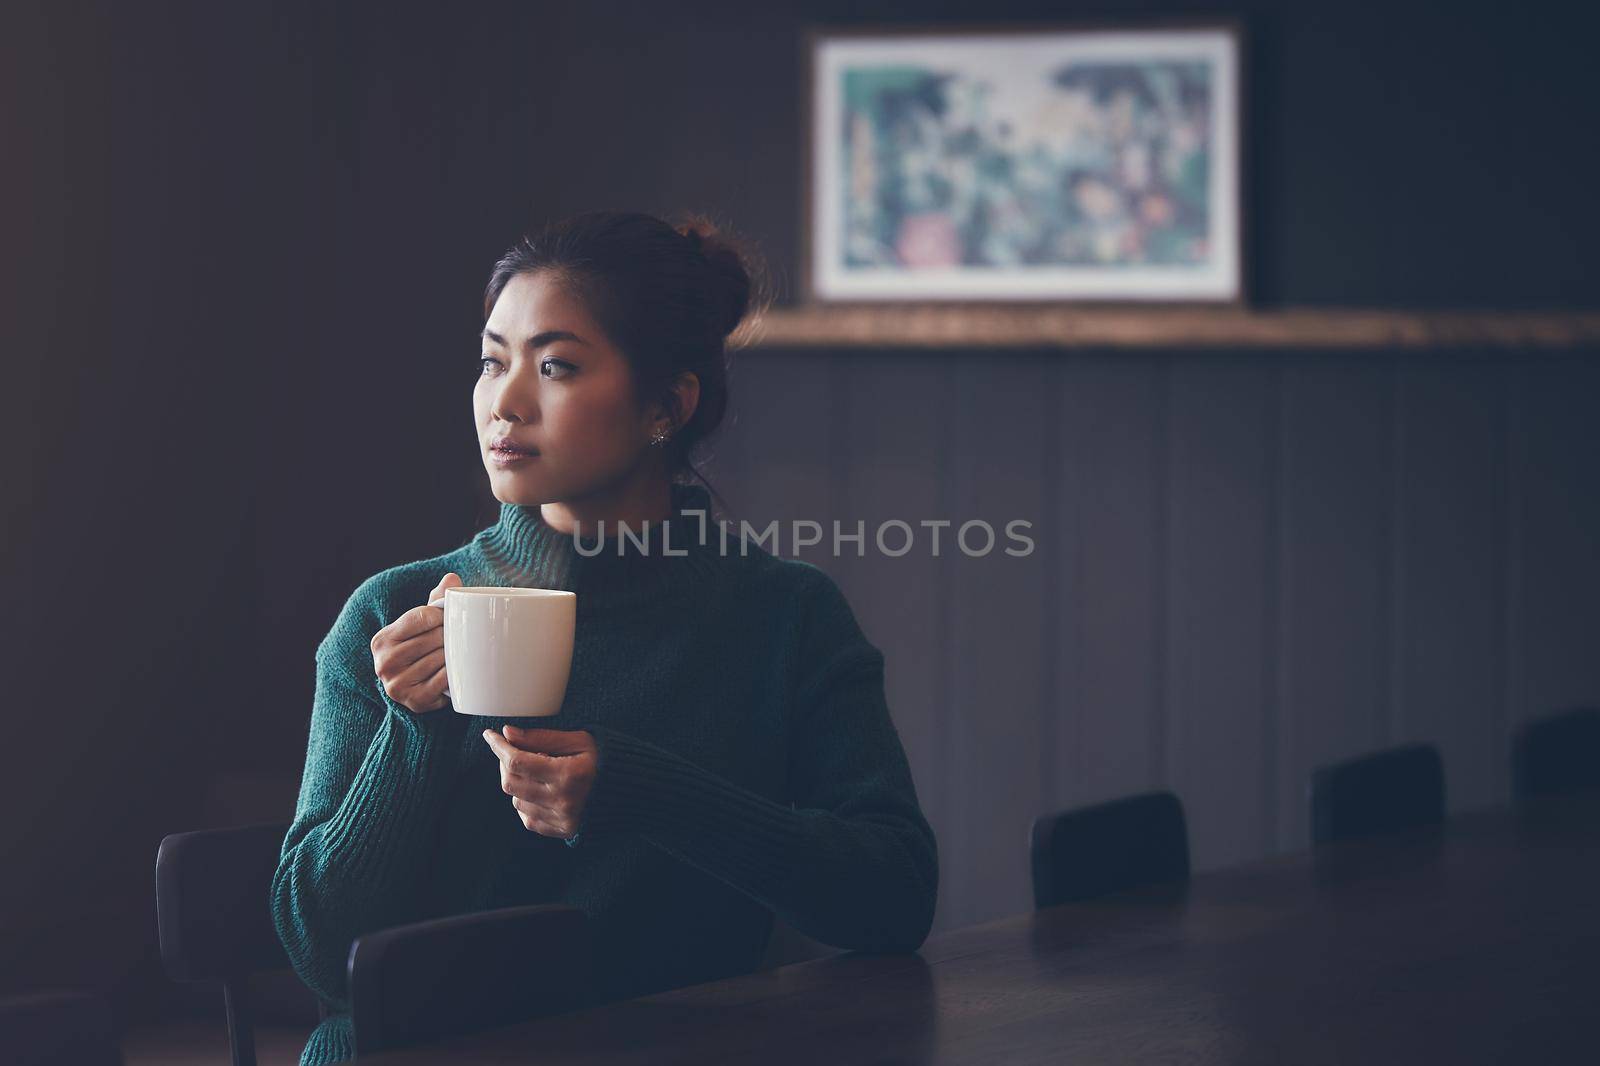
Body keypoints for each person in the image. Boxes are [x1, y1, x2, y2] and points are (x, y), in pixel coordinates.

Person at [271, 210, 940, 1065]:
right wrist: (413, 729)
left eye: (555, 366)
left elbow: (893, 897)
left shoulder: (782, 618)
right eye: (490, 361)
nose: (505, 402)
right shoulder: (393, 613)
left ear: (666, 403)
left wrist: (645, 793)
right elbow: (322, 957)